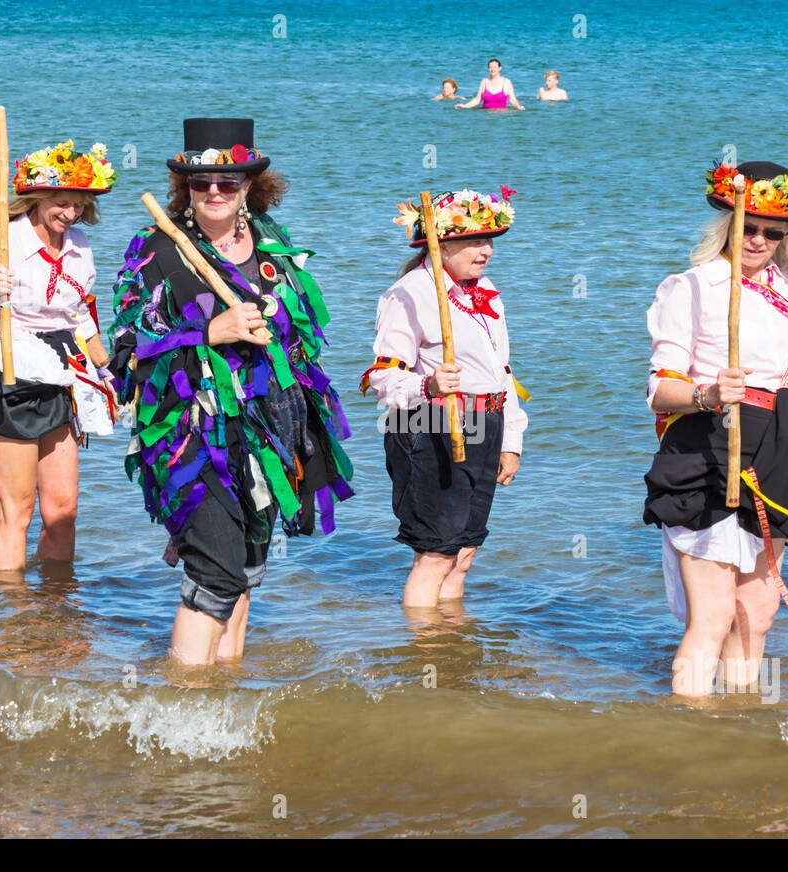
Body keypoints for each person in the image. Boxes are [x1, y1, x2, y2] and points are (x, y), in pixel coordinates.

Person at [108, 118, 353, 664]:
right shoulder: (158, 252)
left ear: (249, 185)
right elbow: (125, 354)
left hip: (269, 431)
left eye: (228, 181)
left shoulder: (273, 242)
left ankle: (225, 697)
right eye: (201, 184)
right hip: (191, 435)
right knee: (215, 573)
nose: (214, 192)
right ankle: (183, 706)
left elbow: (302, 339)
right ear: (184, 189)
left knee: (245, 571)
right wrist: (207, 335)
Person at [643, 161, 788, 697]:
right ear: (727, 224)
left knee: (755, 616)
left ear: (786, 236)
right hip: (710, 447)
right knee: (712, 619)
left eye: (772, 231)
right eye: (748, 226)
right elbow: (658, 391)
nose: (758, 239)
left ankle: (741, 726)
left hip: (786, 450)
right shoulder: (690, 286)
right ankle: (693, 731)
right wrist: (706, 394)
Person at [362, 185, 528, 606]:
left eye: (488, 240)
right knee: (436, 554)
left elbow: (501, 372)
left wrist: (511, 440)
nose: (485, 250)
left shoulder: (485, 290)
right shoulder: (410, 292)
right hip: (429, 422)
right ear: (440, 245)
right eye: (472, 241)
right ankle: (424, 650)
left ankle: (452, 646)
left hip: (485, 421)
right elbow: (382, 380)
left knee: (466, 552)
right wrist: (428, 385)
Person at [0, 141, 119, 571]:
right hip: (15, 372)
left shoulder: (80, 245)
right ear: (35, 198)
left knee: (63, 511)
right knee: (17, 510)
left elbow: (81, 316)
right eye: (60, 203)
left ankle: (57, 606)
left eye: (78, 205)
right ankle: (10, 614)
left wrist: (108, 370)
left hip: (66, 373)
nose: (69, 214)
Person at [455, 59, 526, 110]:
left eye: (494, 67)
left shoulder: (506, 82)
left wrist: (518, 107)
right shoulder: (484, 81)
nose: (492, 69)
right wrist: (464, 106)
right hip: (485, 115)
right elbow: (478, 99)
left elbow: (512, 99)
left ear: (500, 68)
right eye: (490, 67)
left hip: (502, 115)